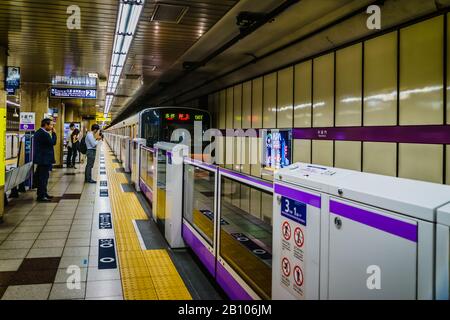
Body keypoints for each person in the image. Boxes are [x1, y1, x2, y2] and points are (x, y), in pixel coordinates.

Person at [33, 118, 57, 202]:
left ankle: (44, 193)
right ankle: (41, 196)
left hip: (42, 159)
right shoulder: (43, 134)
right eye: (50, 125)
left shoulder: (40, 132)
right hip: (44, 159)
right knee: (43, 178)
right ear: (45, 125)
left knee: (44, 177)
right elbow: (53, 142)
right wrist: (54, 133)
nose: (52, 127)